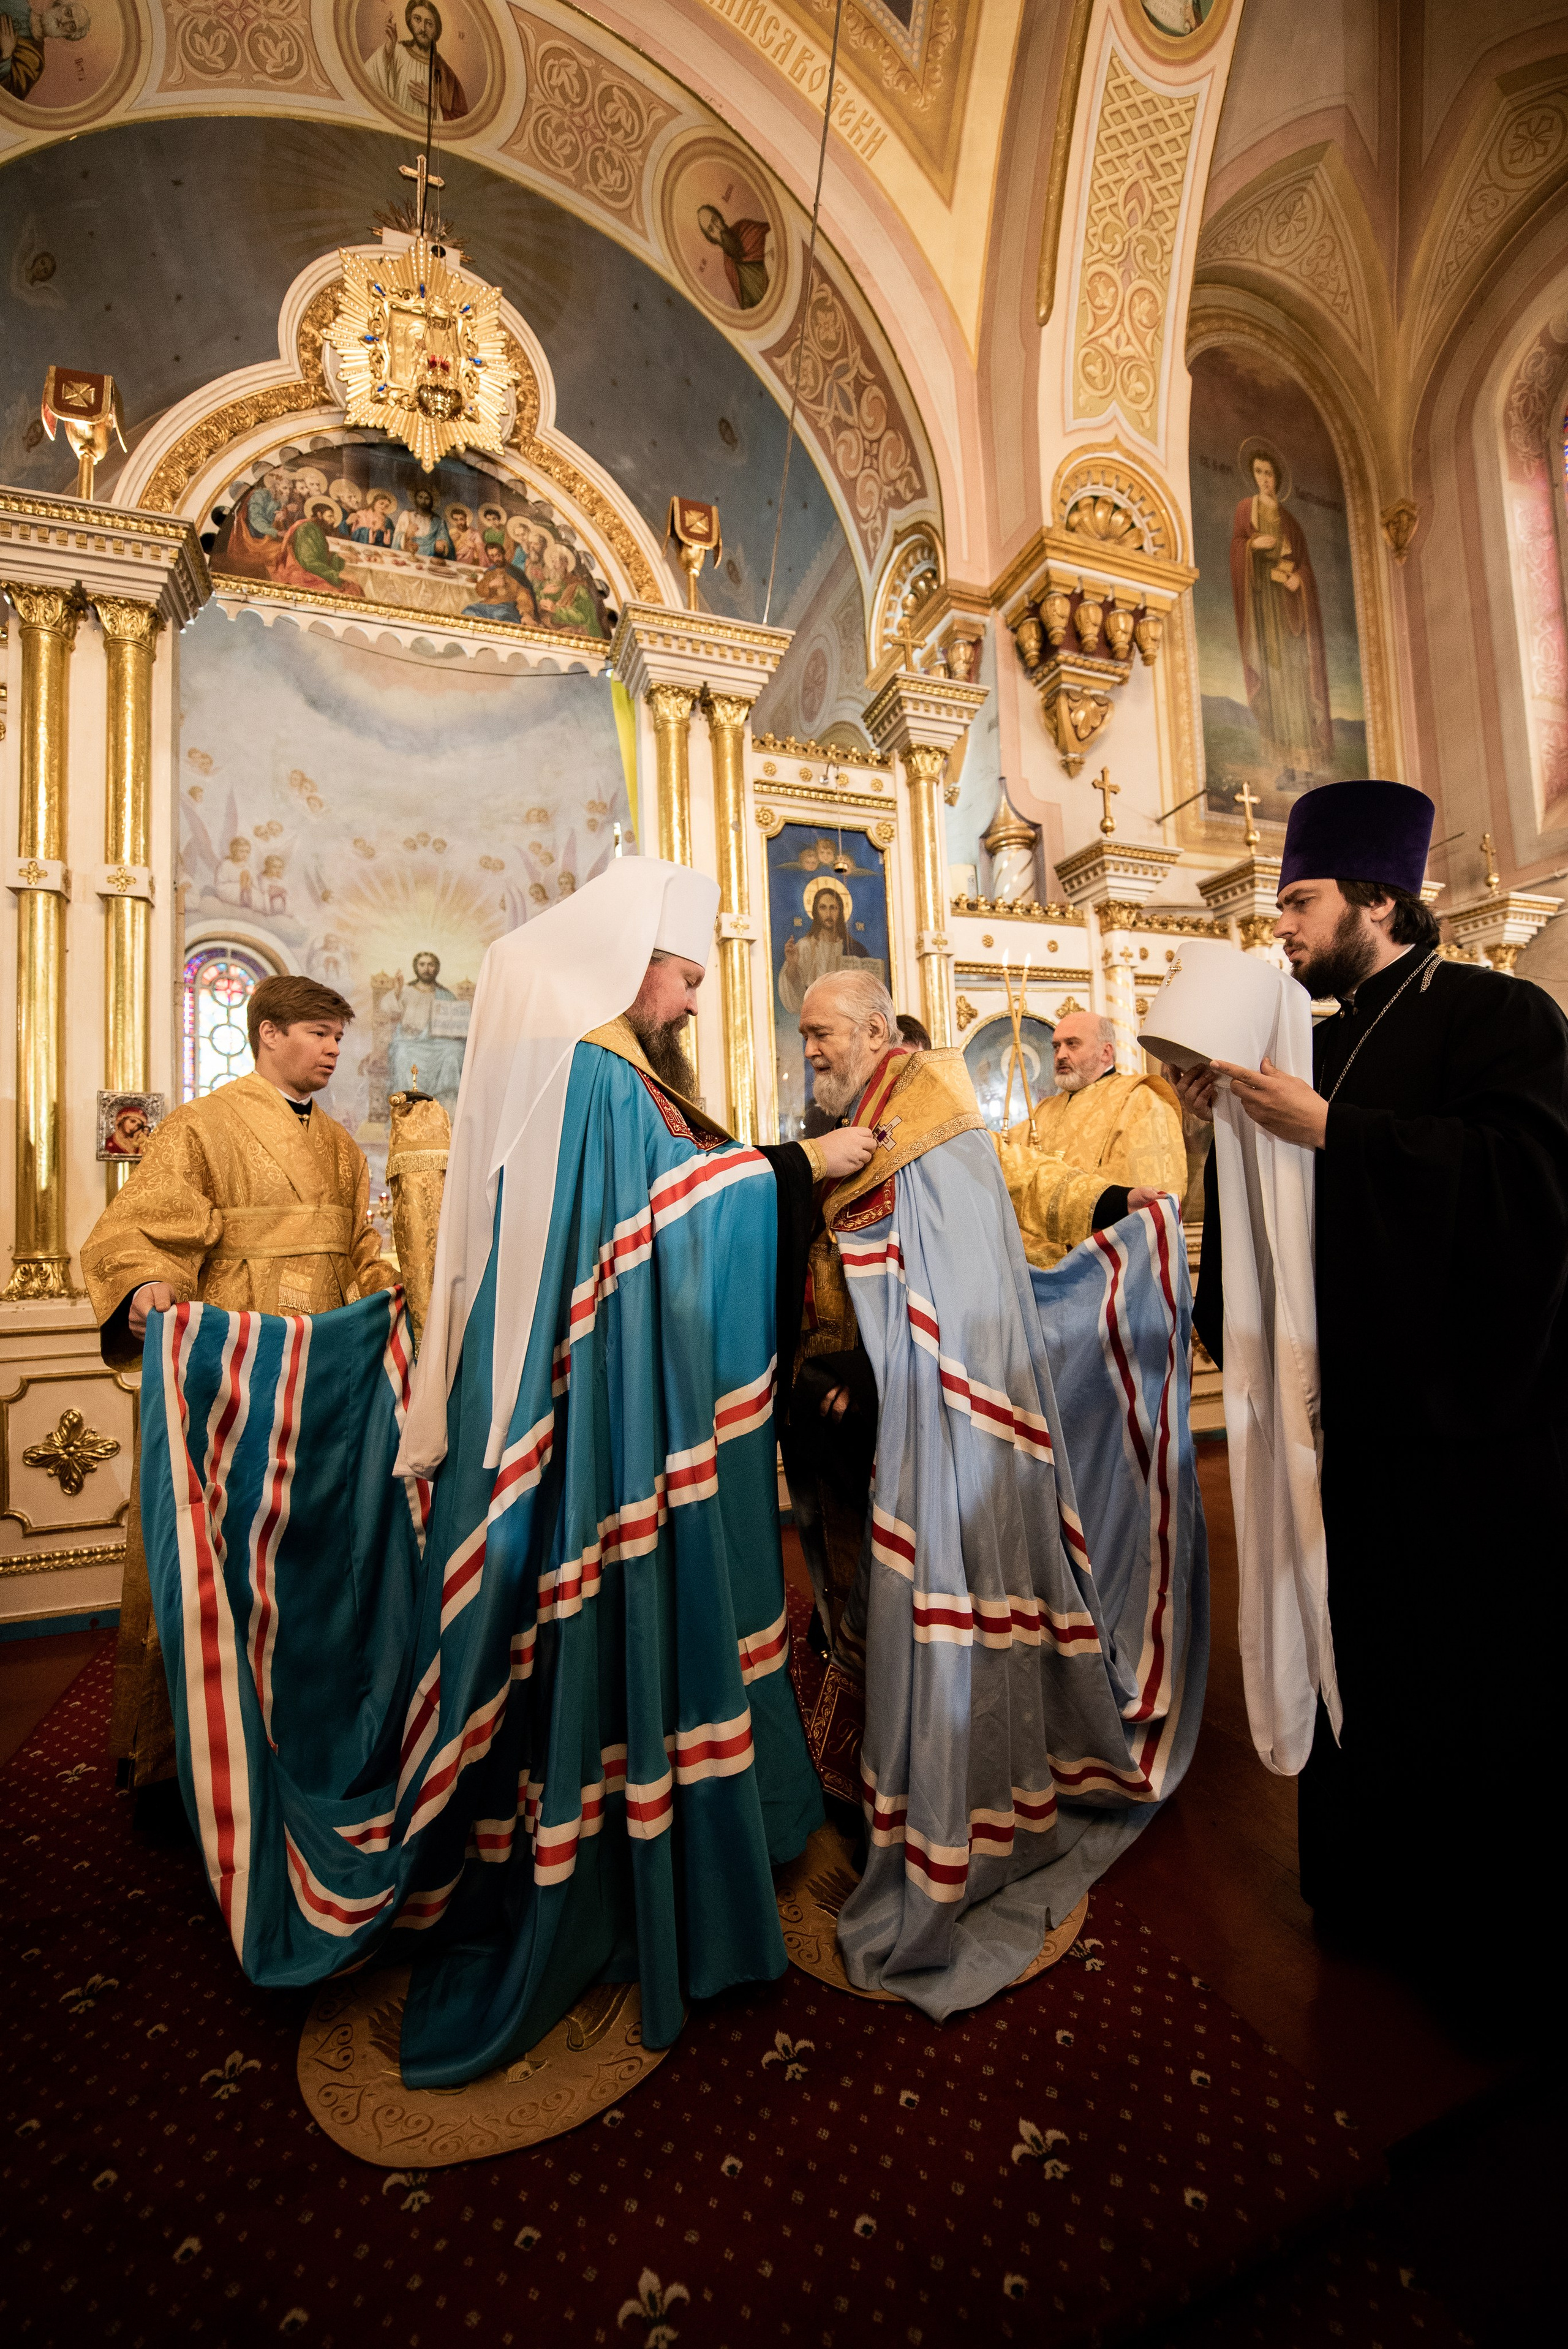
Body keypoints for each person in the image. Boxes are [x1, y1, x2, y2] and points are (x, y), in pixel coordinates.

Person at [135, 861, 834, 2089]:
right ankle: (627, 1867)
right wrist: (800, 1169)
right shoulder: (598, 1072)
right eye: (679, 969)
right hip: (609, 1421)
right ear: (630, 967)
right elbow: (661, 1220)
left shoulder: (603, 1072)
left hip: (621, 1405)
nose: (690, 993)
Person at [1169, 780, 1568, 1968]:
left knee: (1471, 1686)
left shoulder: (1501, 1016)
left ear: (1378, 900)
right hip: (1345, 1440)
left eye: (1298, 901)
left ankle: (1486, 1954)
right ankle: (1373, 1897)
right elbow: (1280, 1233)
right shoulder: (1320, 1041)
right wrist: (1226, 1135)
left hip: (1472, 1446)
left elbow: (1529, 1193)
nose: (1278, 927)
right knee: (1368, 1667)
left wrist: (1336, 1133)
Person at [760, 969, 1208, 2015]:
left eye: (821, 1033)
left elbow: (1006, 1188)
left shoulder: (927, 1106)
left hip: (897, 1405)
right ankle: (882, 1763)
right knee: (846, 1594)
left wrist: (1112, 1207)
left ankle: (932, 1777)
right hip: (831, 1399)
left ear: (874, 1029)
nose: (810, 1048)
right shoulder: (859, 1114)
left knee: (906, 1597)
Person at [81, 976, 396, 1797]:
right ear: (268, 1033)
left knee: (319, 1559)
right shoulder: (200, 1126)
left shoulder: (336, 1143)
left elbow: (361, 1245)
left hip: (325, 1382)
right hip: (238, 1387)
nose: (333, 1049)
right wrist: (147, 1282)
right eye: (319, 1033)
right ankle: (204, 1758)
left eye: (338, 1035)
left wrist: (392, 1286)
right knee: (226, 1562)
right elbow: (136, 1229)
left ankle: (312, 1734)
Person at [998, 1010, 1187, 1269]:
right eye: (1056, 1047)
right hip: (1029, 1272)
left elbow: (1146, 1191)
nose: (1061, 1054)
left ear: (1106, 1052)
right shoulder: (1043, 1111)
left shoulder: (1141, 1101)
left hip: (1101, 1270)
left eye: (1072, 1044)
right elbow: (1007, 1167)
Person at [1230, 448, 1333, 782]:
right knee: (1274, 683)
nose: (1265, 479)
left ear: (1278, 479)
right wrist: (1250, 548)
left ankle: (1305, 763)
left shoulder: (1291, 522)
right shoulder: (1247, 511)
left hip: (1291, 616)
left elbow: (1305, 567)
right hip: (1264, 612)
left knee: (1296, 683)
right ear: (1253, 475)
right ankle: (1286, 766)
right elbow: (1236, 548)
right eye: (1259, 472)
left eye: (1270, 474)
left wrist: (1297, 580)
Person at [387, 949, 466, 1115]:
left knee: (454, 1051)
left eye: (431, 965)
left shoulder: (445, 995)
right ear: (416, 967)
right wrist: (397, 990)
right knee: (402, 1054)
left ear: (436, 968)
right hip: (410, 1041)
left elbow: (457, 1022)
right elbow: (388, 1009)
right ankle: (409, 1109)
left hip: (439, 1043)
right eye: (422, 964)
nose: (426, 969)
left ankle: (445, 1109)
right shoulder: (406, 991)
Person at [368, 0, 467, 122]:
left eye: (429, 23)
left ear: (437, 30)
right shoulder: (396, 51)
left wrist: (435, 104)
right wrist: (388, 50)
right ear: (410, 22)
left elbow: (462, 121)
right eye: (417, 19)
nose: (422, 28)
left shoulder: (447, 75)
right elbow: (368, 83)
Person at [0, 1, 90, 102]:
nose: (63, 22)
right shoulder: (17, 3)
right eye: (68, 13)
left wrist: (6, 56)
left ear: (66, 36)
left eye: (72, 26)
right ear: (57, 6)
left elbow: (10, 98)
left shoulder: (35, 60)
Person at [698, 202, 771, 310]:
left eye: (715, 220)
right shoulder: (729, 266)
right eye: (711, 229)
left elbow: (775, 236)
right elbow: (745, 299)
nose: (718, 229)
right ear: (711, 238)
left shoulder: (744, 228)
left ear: (720, 217)